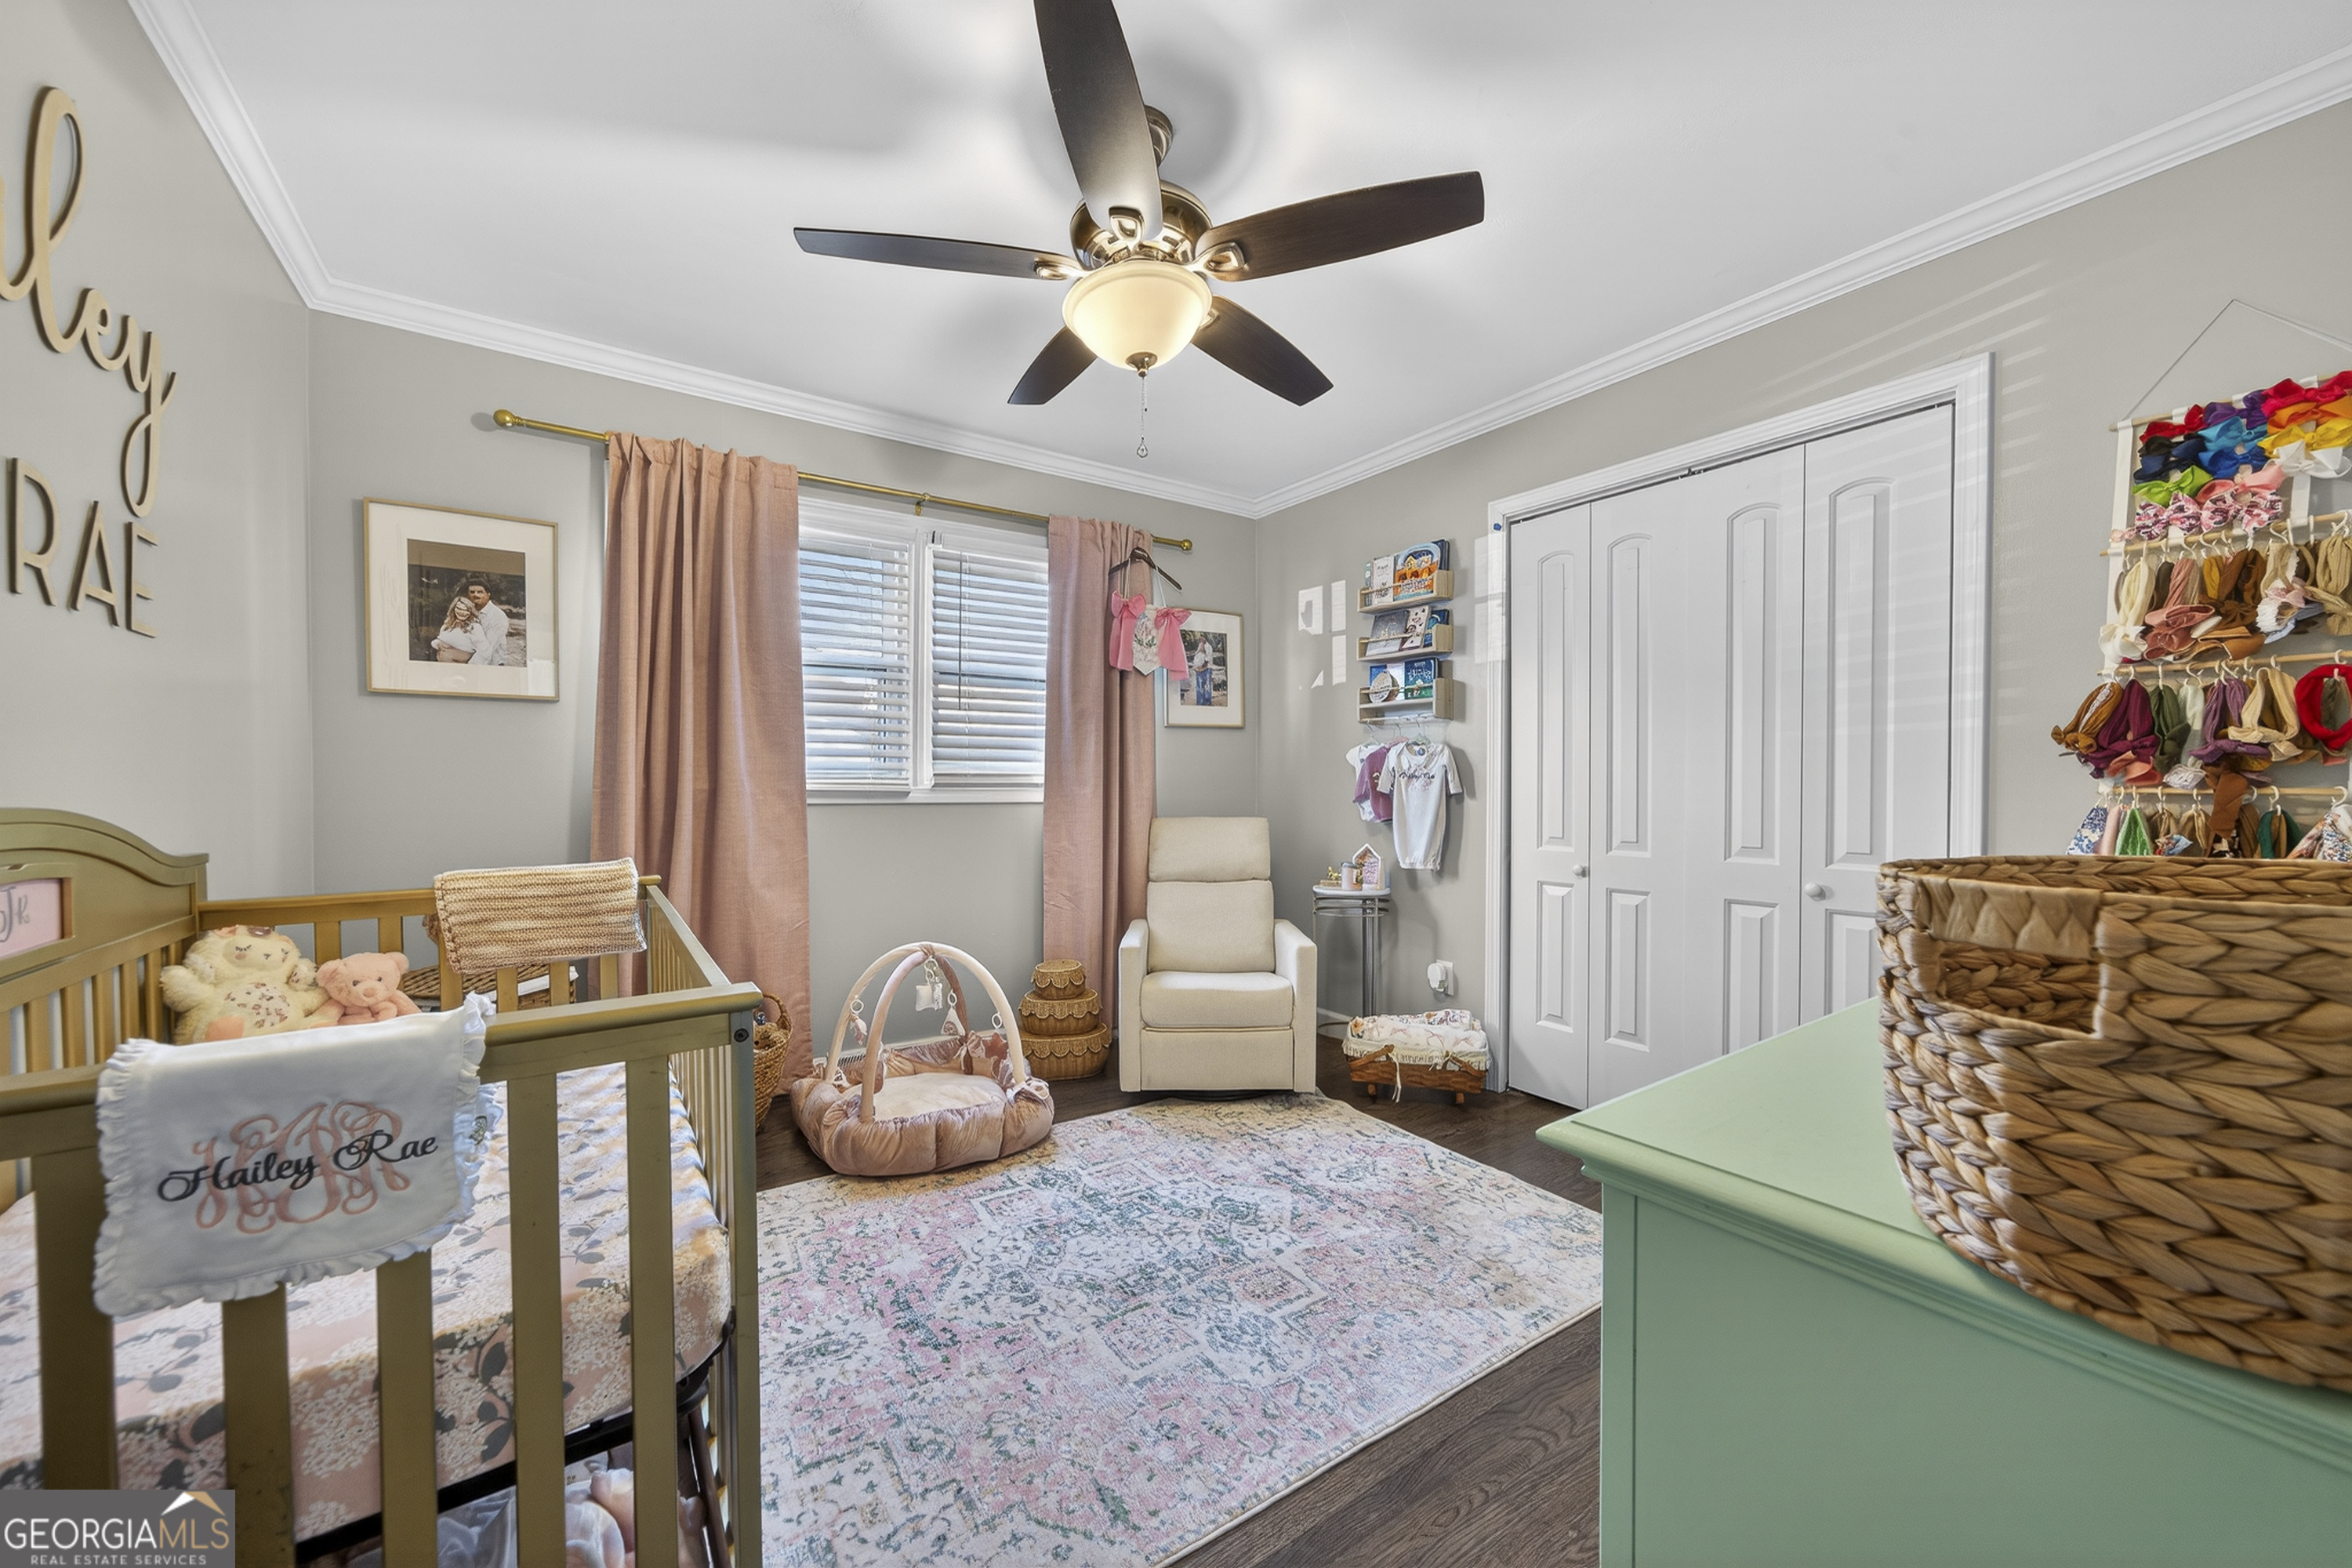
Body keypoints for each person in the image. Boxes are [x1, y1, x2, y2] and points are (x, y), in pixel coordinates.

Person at [430, 596, 494, 663]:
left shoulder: (474, 627)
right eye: (459, 608)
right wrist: (438, 644)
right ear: (453, 609)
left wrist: (471, 665)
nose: (462, 612)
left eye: (466, 610)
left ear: (471, 611)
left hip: (462, 665)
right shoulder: (447, 625)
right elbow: (441, 639)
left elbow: (485, 650)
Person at [463, 580, 511, 666]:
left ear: (488, 595)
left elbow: (487, 650)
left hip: (491, 665)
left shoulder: (497, 616)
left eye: (480, 592)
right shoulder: (465, 612)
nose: (476, 595)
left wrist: (467, 668)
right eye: (472, 592)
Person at [1190, 636, 1215, 707]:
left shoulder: (1208, 647)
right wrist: (1196, 667)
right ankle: (1200, 702)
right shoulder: (1200, 646)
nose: (1200, 640)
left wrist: (1201, 668)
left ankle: (1207, 702)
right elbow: (1197, 654)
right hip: (1199, 670)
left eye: (1201, 639)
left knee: (1207, 686)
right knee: (1199, 686)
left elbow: (1208, 660)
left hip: (1206, 669)